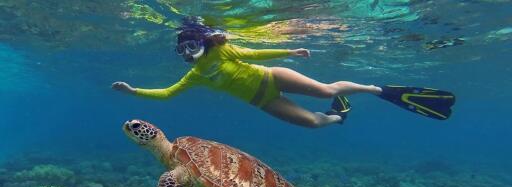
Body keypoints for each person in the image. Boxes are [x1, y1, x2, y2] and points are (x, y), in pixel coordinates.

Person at [112, 20, 455, 127]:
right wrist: (134, 92)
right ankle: (339, 116)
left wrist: (290, 51)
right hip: (262, 102)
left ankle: (378, 89)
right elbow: (169, 93)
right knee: (313, 123)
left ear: (201, 40)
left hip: (271, 77)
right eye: (182, 50)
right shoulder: (195, 76)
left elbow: (255, 52)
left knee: (324, 89)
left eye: (191, 45)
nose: (187, 52)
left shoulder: (223, 49)